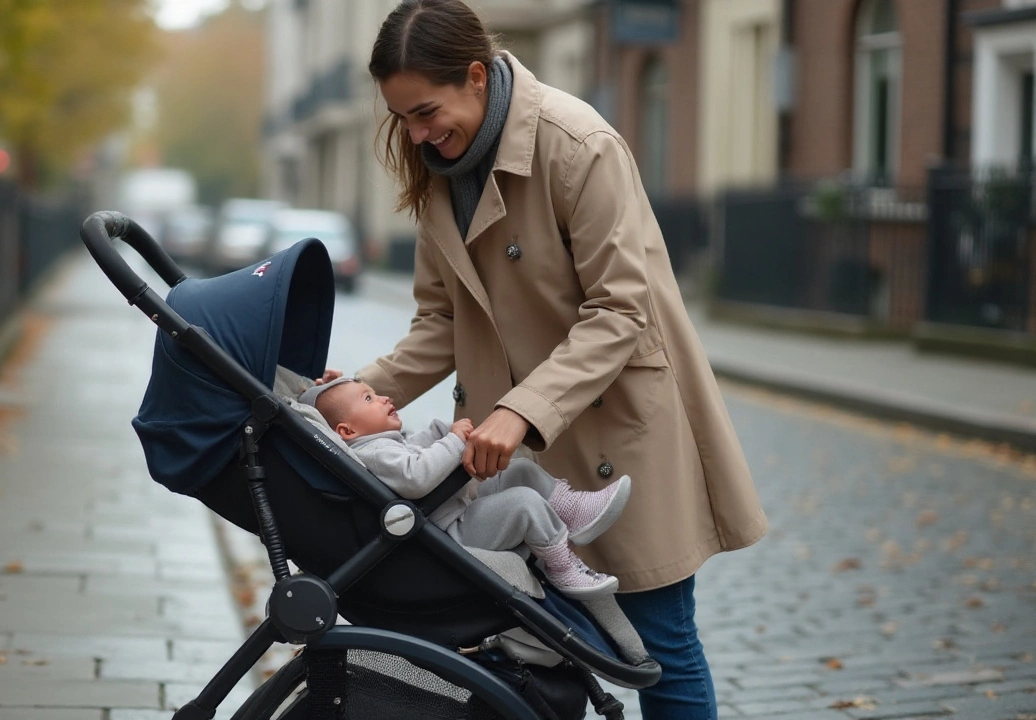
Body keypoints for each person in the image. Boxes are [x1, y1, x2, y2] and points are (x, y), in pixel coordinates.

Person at [319, 1, 771, 717]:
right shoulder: (440, 167)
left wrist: (520, 411)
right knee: (545, 648)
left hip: (612, 431)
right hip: (510, 461)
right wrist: (345, 393)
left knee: (658, 647)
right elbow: (441, 322)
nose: (417, 133)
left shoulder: (576, 142)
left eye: (427, 111)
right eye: (402, 117)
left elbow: (623, 307)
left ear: (475, 75)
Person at [299, 376, 631, 598]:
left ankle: (575, 513)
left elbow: (417, 445)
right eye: (369, 398)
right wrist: (455, 441)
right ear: (346, 431)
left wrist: (445, 431)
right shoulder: (374, 452)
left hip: (452, 511)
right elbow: (416, 476)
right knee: (523, 502)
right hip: (448, 533)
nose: (384, 397)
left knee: (519, 471)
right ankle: (562, 566)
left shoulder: (383, 443)